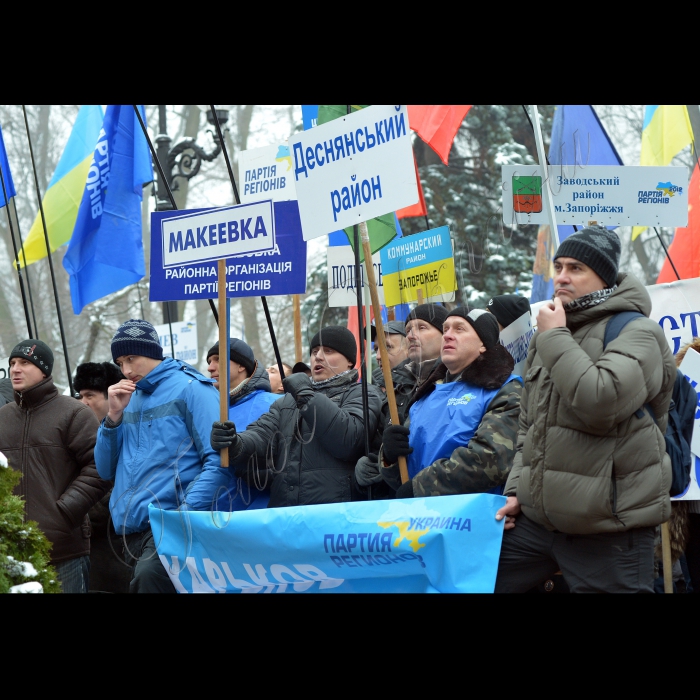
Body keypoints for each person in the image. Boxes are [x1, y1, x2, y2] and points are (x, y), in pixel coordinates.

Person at [494, 226, 677, 593]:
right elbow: (530, 428)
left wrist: (554, 337)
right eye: (559, 266)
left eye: (576, 268)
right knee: (471, 578)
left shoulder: (637, 331)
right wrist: (517, 492)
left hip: (607, 528)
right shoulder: (551, 335)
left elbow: (602, 402)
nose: (561, 276)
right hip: (537, 524)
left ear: (605, 277)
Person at [95, 319, 229, 594]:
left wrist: (183, 517)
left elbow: (220, 462)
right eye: (120, 362)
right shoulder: (128, 397)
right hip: (126, 532)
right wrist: (113, 418)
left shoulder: (193, 389)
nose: (127, 370)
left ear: (154, 352)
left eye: (132, 358)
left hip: (171, 526)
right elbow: (106, 469)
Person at [211, 325, 384, 508]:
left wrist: (306, 395)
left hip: (336, 518)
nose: (317, 356)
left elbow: (348, 440)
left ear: (349, 361)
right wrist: (235, 442)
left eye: (328, 350)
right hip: (286, 517)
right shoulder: (287, 401)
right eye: (315, 351)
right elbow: (261, 435)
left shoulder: (364, 393)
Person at [0, 340, 111, 593]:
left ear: (43, 370)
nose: (16, 369)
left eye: (25, 363)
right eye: (13, 363)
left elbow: (101, 468)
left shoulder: (73, 413)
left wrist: (64, 512)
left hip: (64, 551)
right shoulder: (2, 418)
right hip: (12, 555)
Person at [376, 308, 522, 499]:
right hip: (419, 516)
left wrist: (420, 487)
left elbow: (491, 460)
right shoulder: (426, 394)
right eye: (445, 330)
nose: (448, 336)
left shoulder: (504, 388)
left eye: (459, 329)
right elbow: (403, 481)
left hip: (470, 518)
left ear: (483, 344)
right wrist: (388, 457)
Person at [354, 304, 447, 497]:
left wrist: (421, 485)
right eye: (376, 349)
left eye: (387, 347)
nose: (378, 356)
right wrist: (383, 460)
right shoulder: (390, 392)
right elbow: (381, 446)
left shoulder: (455, 381)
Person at [73, 361, 130, 594]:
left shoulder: (126, 433)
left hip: (117, 553)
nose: (83, 402)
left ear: (111, 397)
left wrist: (75, 511)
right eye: (80, 395)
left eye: (90, 395)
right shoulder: (74, 434)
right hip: (86, 553)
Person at [207, 338, 280, 510]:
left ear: (241, 366)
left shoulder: (276, 403)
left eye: (218, 359)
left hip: (258, 518)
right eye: (210, 361)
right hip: (211, 518)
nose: (210, 367)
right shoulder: (208, 408)